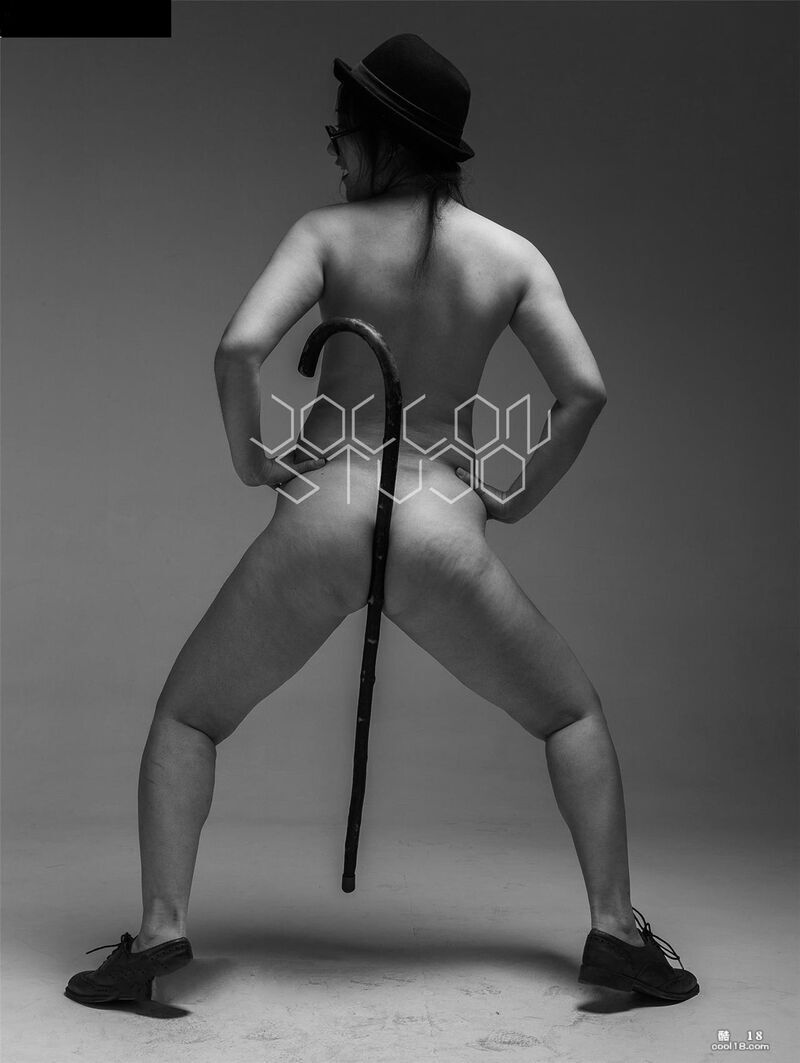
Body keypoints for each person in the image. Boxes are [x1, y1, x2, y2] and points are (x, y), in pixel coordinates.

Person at [65, 33, 699, 1006]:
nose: (334, 152)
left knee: (188, 717)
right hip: (441, 523)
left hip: (322, 510)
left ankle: (158, 932)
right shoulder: (510, 256)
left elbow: (237, 349)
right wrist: (514, 493)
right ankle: (614, 927)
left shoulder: (324, 235)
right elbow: (584, 393)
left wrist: (252, 461)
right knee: (569, 713)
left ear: (387, 142)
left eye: (343, 135)